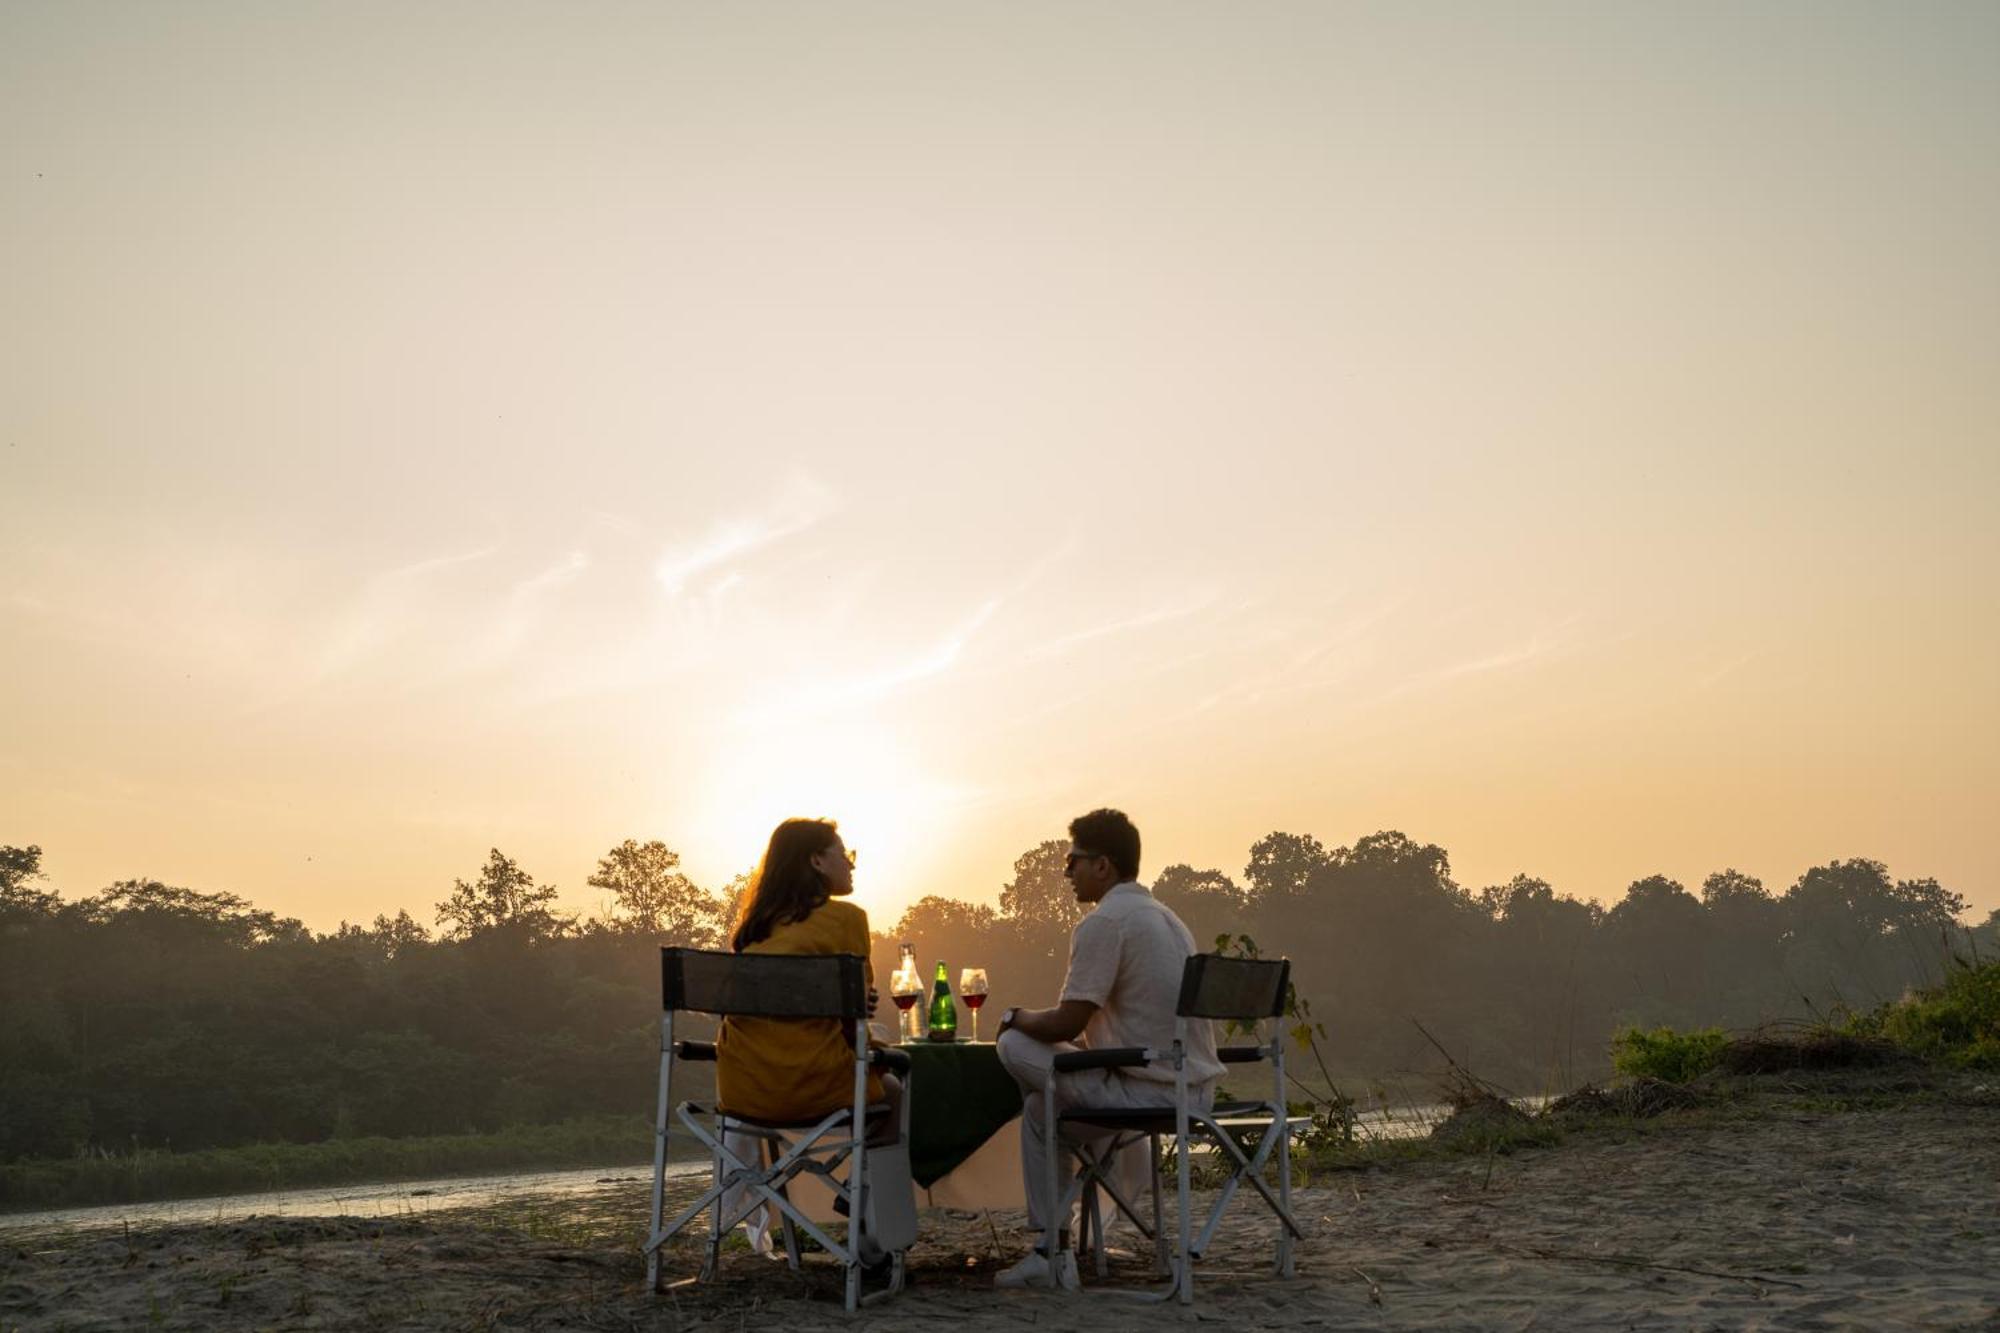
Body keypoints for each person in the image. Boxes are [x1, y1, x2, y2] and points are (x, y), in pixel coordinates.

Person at [991, 808, 1224, 1290]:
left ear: (1104, 865)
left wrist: (1015, 1016)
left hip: (1146, 1092)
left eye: (1072, 860)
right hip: (1192, 1091)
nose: (1066, 871)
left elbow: (1068, 1019)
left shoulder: (1106, 922)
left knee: (1015, 1045)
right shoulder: (1168, 920)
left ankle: (1054, 1253)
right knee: (1042, 1110)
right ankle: (1066, 1246)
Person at [715, 817, 916, 1261]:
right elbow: (852, 1024)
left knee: (880, 1073)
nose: (851, 865)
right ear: (817, 860)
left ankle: (855, 1200)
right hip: (812, 1086)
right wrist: (876, 1047)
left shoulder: (754, 929)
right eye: (845, 854)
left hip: (743, 1095)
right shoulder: (847, 919)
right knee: (895, 1090)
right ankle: (869, 1224)